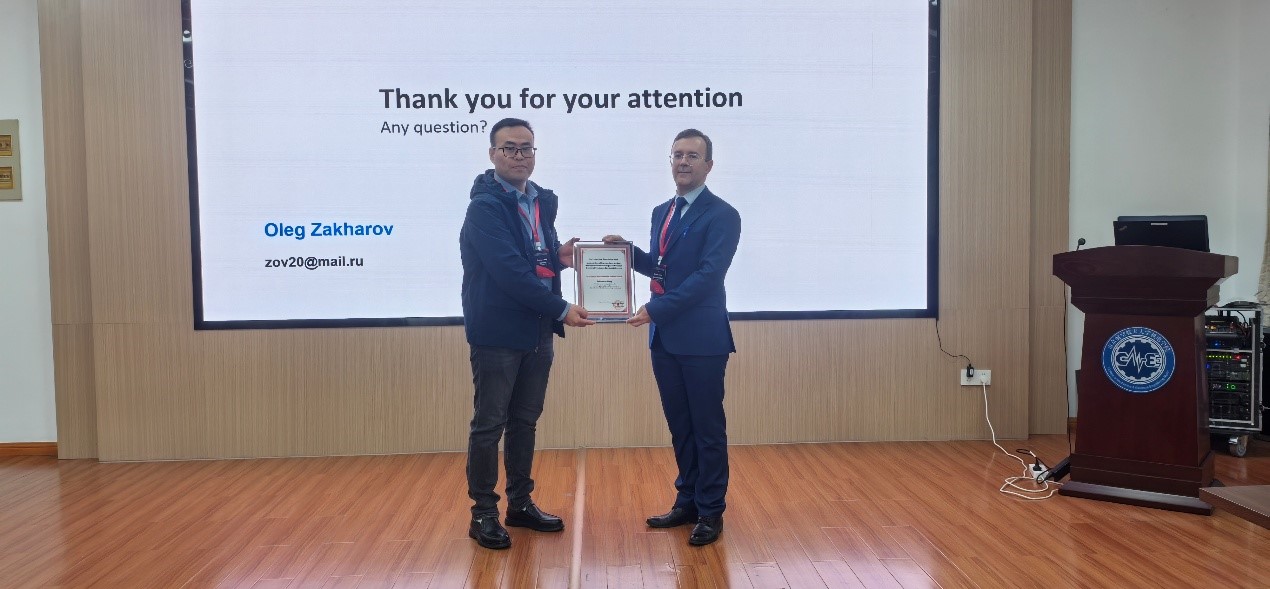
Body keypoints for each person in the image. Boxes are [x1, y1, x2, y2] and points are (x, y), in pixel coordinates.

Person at [460, 117, 595, 550]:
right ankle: (483, 513)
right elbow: (510, 271)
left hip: (537, 329)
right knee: (490, 424)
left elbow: (534, 257)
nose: (519, 156)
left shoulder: (539, 201)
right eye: (510, 148)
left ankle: (519, 504)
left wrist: (558, 257)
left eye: (526, 148)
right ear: (493, 154)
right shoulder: (484, 207)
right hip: (498, 331)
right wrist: (562, 308)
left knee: (524, 421)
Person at [604, 128, 741, 546]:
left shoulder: (723, 215)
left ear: (708, 165)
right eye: (677, 154)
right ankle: (688, 502)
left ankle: (711, 511)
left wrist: (657, 310)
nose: (683, 161)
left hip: (701, 339)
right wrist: (627, 253)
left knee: (707, 429)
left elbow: (707, 277)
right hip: (664, 339)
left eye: (692, 155)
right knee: (680, 426)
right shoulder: (661, 211)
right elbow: (664, 268)